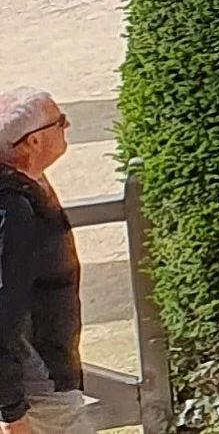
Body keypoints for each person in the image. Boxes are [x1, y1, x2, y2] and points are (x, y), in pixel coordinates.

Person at [1, 89, 83, 434]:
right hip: (39, 394)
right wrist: (13, 412)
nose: (68, 125)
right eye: (60, 122)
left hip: (42, 383)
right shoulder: (14, 211)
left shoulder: (27, 181)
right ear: (33, 142)